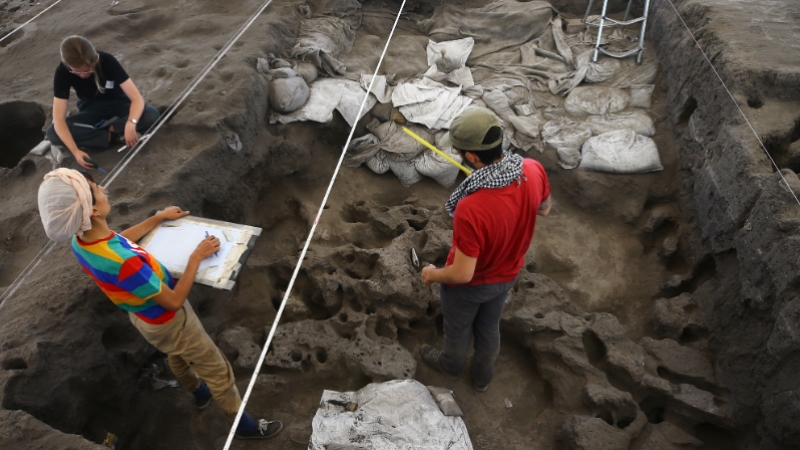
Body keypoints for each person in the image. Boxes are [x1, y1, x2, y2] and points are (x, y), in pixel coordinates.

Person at [36, 168, 283, 440]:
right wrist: (196, 257)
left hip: (146, 319)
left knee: (176, 354)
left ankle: (199, 394)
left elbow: (121, 240)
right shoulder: (126, 264)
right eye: (97, 190)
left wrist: (157, 219)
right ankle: (245, 427)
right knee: (217, 368)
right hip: (171, 318)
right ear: (93, 211)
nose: (104, 190)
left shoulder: (81, 241)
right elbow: (175, 301)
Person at [419, 107, 551, 392]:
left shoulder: (471, 208)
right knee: (489, 327)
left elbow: (463, 274)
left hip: (471, 286)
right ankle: (482, 377)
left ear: (472, 157)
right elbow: (545, 209)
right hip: (507, 274)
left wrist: (432, 274)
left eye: (457, 149)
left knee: (457, 329)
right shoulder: (531, 168)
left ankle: (451, 366)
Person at [45, 35, 160, 170]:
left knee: (151, 114)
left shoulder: (107, 60)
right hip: (91, 110)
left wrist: (131, 123)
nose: (83, 75)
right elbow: (58, 118)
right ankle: (114, 136)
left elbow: (136, 98)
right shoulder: (62, 72)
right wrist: (75, 151)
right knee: (52, 133)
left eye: (88, 69)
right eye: (77, 71)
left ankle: (107, 134)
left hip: (119, 105)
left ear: (94, 60)